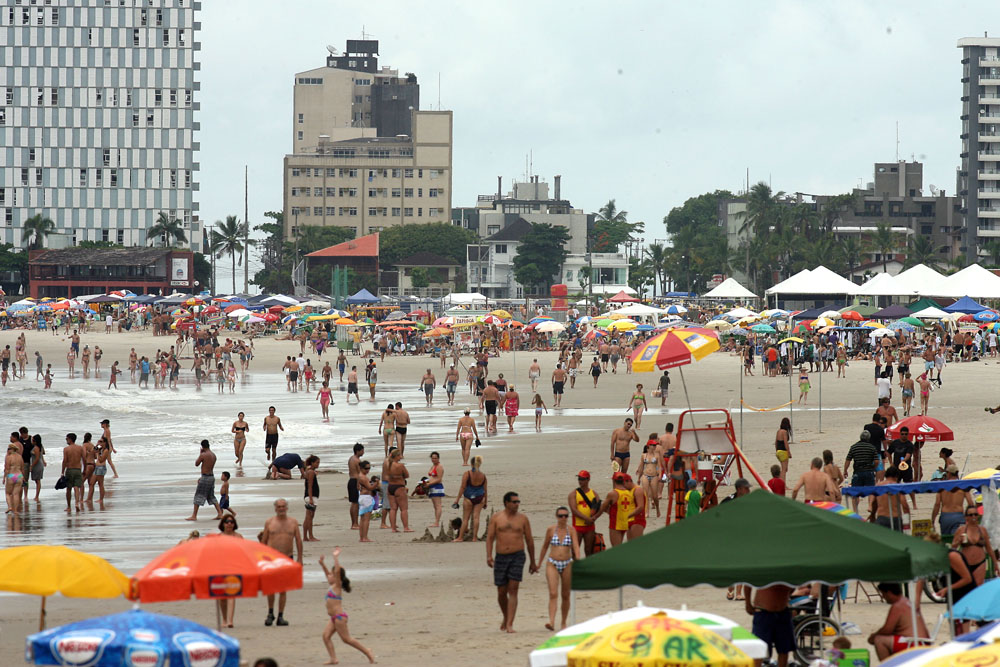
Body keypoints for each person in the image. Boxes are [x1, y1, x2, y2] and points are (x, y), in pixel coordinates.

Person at [486, 491, 538, 633]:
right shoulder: (497, 518)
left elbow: (529, 541)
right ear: (506, 503)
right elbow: (490, 537)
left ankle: (510, 623)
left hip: (518, 556)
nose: (517, 504)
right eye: (514, 502)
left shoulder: (523, 519)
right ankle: (505, 616)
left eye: (518, 502)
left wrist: (533, 562)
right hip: (501, 556)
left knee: (513, 589)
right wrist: (489, 556)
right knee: (501, 591)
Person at [319, 548, 376, 665]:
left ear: (336, 577)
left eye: (332, 574)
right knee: (326, 636)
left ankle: (367, 652)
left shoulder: (337, 586)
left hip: (340, 617)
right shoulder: (332, 584)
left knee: (347, 639)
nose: (329, 576)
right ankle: (333, 659)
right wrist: (322, 564)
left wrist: (335, 558)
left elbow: (337, 572)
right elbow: (328, 575)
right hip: (334, 618)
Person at [537, 506, 581, 631]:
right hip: (552, 562)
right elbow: (545, 547)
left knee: (565, 594)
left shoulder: (571, 531)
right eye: (561, 516)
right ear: (557, 517)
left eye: (566, 516)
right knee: (553, 592)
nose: (563, 518)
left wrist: (578, 559)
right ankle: (551, 621)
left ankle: (563, 622)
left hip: (567, 563)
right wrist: (539, 563)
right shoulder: (551, 530)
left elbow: (576, 547)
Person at [262, 498, 304, 627]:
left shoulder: (293, 522)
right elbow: (263, 542)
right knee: (270, 588)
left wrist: (300, 558)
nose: (281, 508)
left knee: (283, 589)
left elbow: (298, 540)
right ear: (275, 508)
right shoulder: (269, 522)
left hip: (287, 558)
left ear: (287, 508)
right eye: (279, 507)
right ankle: (270, 613)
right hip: (271, 559)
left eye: (283, 506)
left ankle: (280, 615)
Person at [868, 582, 929, 660]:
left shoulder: (898, 606)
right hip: (923, 642)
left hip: (915, 643)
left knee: (879, 640)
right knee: (885, 638)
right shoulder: (906, 601)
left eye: (883, 594)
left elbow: (887, 629)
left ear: (889, 593)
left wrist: (873, 636)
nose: (883, 597)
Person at [745, 585, 795, 667]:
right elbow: (747, 583)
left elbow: (793, 585)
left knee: (784, 648)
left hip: (782, 612)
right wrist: (748, 603)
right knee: (758, 648)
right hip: (763, 612)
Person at [952, 505, 999, 585]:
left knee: (977, 587)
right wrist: (958, 541)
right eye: (970, 515)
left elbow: (989, 548)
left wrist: (995, 563)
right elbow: (953, 547)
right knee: (967, 588)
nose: (973, 516)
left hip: (980, 563)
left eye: (975, 514)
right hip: (965, 564)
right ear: (966, 517)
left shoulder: (982, 530)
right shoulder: (961, 530)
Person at [185, 440, 223, 521]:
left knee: (198, 495)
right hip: (211, 477)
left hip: (205, 477)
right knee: (211, 496)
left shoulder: (204, 455)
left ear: (202, 446)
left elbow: (197, 464)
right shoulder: (213, 455)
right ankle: (220, 513)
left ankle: (194, 515)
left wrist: (200, 454)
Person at [453, 456, 488, 542]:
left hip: (468, 498)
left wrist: (457, 500)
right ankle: (474, 538)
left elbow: (463, 487)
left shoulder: (467, 474)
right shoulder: (483, 475)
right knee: (476, 518)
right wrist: (485, 502)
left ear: (471, 463)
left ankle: (460, 537)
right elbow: (485, 490)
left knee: (466, 519)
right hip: (480, 498)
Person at [217, 515, 243, 628]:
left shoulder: (238, 537)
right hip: (220, 568)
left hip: (234, 568)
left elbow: (244, 553)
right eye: (227, 522)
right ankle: (224, 619)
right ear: (223, 524)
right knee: (222, 597)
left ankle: (230, 620)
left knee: (232, 594)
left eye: (231, 522)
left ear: (234, 524)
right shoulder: (218, 538)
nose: (229, 524)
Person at [568, 470, 602, 556]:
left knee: (589, 550)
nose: (580, 481)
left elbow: (599, 508)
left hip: (590, 526)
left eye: (582, 479)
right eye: (579, 479)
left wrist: (594, 518)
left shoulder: (594, 493)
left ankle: (588, 568)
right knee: (575, 551)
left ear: (588, 480)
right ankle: (574, 568)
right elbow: (573, 510)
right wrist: (586, 518)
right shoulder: (573, 494)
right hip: (577, 526)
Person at [869, 466, 909, 531]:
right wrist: (907, 521)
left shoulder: (878, 486)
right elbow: (904, 505)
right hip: (895, 518)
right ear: (896, 476)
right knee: (897, 540)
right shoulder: (898, 486)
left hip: (881, 518)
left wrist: (872, 515)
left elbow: (874, 503)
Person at [600, 472, 633, 547]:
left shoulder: (613, 494)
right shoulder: (629, 492)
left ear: (614, 481)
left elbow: (603, 507)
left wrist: (594, 517)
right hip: (626, 523)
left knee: (616, 548)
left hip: (616, 524)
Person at [386, 449, 411, 533]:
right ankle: (406, 527)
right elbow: (407, 475)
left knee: (393, 509)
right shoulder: (400, 466)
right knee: (403, 508)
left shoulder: (388, 465)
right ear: (396, 456)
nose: (401, 457)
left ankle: (393, 528)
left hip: (390, 486)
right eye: (399, 455)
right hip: (399, 486)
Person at [61, 432, 84, 512]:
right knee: (77, 487)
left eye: (67, 439)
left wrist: (62, 472)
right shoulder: (80, 448)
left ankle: (69, 507)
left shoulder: (66, 449)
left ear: (70, 439)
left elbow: (64, 461)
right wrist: (84, 469)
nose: (66, 440)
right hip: (78, 469)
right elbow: (84, 459)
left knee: (69, 488)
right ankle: (77, 503)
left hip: (70, 470)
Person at [303, 455, 321, 542]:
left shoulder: (309, 471)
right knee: (310, 516)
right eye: (317, 462)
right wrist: (310, 498)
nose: (318, 464)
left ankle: (305, 537)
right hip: (311, 496)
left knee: (308, 517)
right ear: (312, 463)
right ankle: (310, 536)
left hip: (310, 495)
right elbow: (309, 486)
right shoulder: (311, 472)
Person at [347, 443, 364, 530]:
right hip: (355, 481)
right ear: (358, 451)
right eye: (362, 450)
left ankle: (354, 523)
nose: (363, 452)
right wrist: (359, 484)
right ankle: (355, 524)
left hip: (351, 480)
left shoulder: (351, 458)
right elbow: (359, 473)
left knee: (354, 503)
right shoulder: (357, 460)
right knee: (355, 503)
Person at [426, 451, 445, 527]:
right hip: (432, 486)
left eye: (435, 458)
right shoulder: (433, 466)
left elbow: (439, 479)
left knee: (438, 505)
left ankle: (437, 522)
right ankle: (436, 521)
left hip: (437, 487)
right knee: (435, 506)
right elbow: (432, 477)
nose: (434, 459)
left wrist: (429, 484)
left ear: (438, 458)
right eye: (433, 458)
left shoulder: (439, 467)